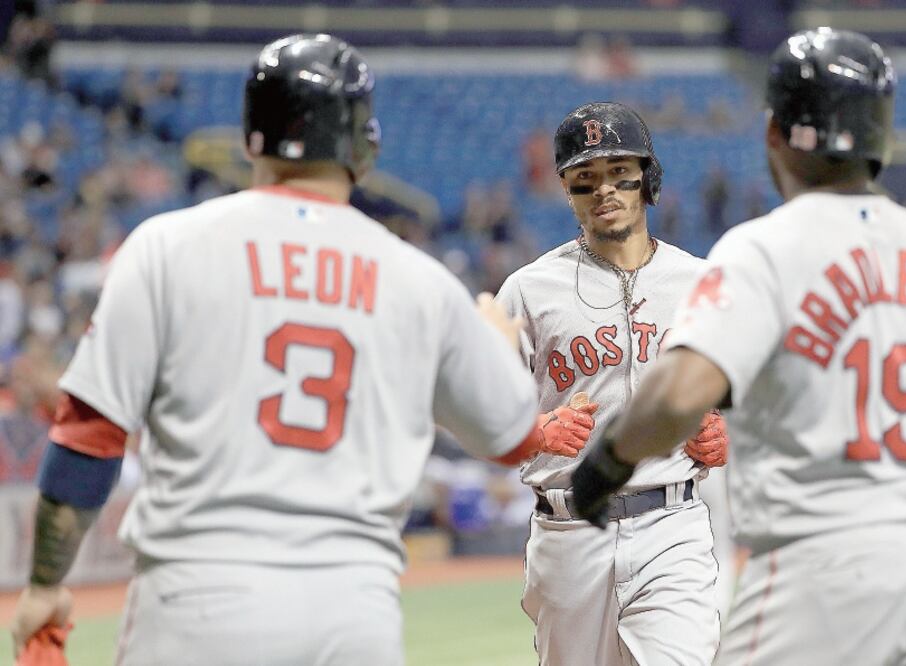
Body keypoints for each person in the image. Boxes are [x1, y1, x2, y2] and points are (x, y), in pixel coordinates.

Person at [9, 33, 541, 665]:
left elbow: (87, 438)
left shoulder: (166, 246)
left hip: (198, 599)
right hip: (353, 609)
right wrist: (500, 347)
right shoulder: (420, 280)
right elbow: (511, 437)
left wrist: (45, 585)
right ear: (365, 148)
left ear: (248, 137)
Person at [569, 28, 906, 666]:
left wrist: (604, 465)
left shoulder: (765, 248)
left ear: (774, 133)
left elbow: (680, 394)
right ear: (882, 133)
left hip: (821, 564)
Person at [495, 101, 728, 666]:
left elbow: (737, 393)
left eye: (618, 174)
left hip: (671, 522)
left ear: (647, 181)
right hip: (569, 532)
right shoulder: (528, 290)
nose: (603, 190)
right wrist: (534, 431)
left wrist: (723, 432)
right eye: (585, 180)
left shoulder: (698, 281)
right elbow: (477, 412)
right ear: (568, 192)